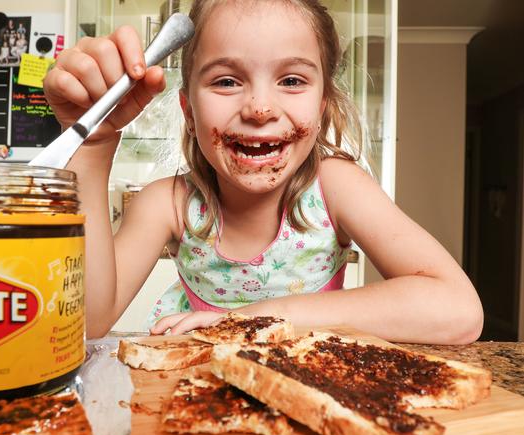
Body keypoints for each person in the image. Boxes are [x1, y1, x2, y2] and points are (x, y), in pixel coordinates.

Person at [43, 0, 483, 344]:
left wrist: (250, 320)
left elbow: (457, 311)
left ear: (322, 107)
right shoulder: (169, 204)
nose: (259, 108)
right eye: (226, 81)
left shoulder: (334, 188)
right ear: (188, 112)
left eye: (291, 80)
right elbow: (85, 327)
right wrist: (92, 143)